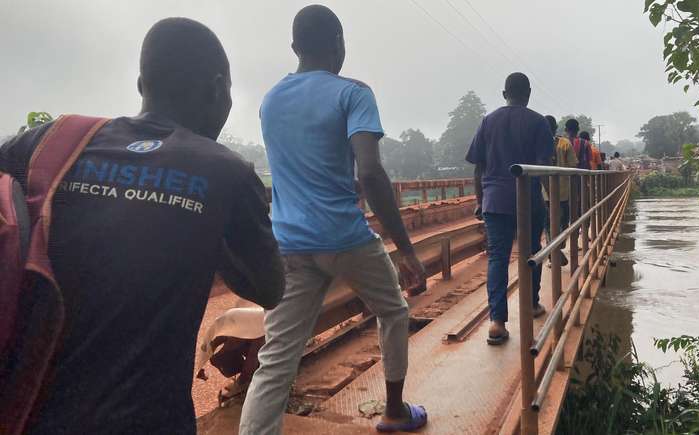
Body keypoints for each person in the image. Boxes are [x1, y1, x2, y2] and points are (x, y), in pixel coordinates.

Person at [0, 18, 284, 434]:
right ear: (218, 89)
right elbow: (269, 288)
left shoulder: (47, 143)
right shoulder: (227, 172)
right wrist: (202, 219)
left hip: (28, 415)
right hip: (148, 421)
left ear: (141, 84)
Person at [239, 6, 427, 434]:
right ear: (340, 44)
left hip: (289, 244)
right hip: (345, 238)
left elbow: (306, 164)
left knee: (276, 360)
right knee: (393, 311)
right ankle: (394, 412)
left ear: (294, 47)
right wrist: (407, 251)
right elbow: (371, 173)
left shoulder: (270, 101)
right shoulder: (353, 94)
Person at [466, 72, 553, 346]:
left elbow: (478, 168)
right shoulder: (539, 122)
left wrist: (480, 200)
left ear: (505, 94)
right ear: (529, 94)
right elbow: (543, 168)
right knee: (532, 253)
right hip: (528, 200)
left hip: (494, 201)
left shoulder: (488, 121)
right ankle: (531, 304)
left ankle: (497, 322)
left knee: (497, 258)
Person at [543, 115, 578, 263]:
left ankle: (554, 249)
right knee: (561, 222)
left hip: (547, 193)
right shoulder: (564, 143)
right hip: (560, 192)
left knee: (551, 223)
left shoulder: (538, 143)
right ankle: (555, 250)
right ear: (556, 128)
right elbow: (573, 165)